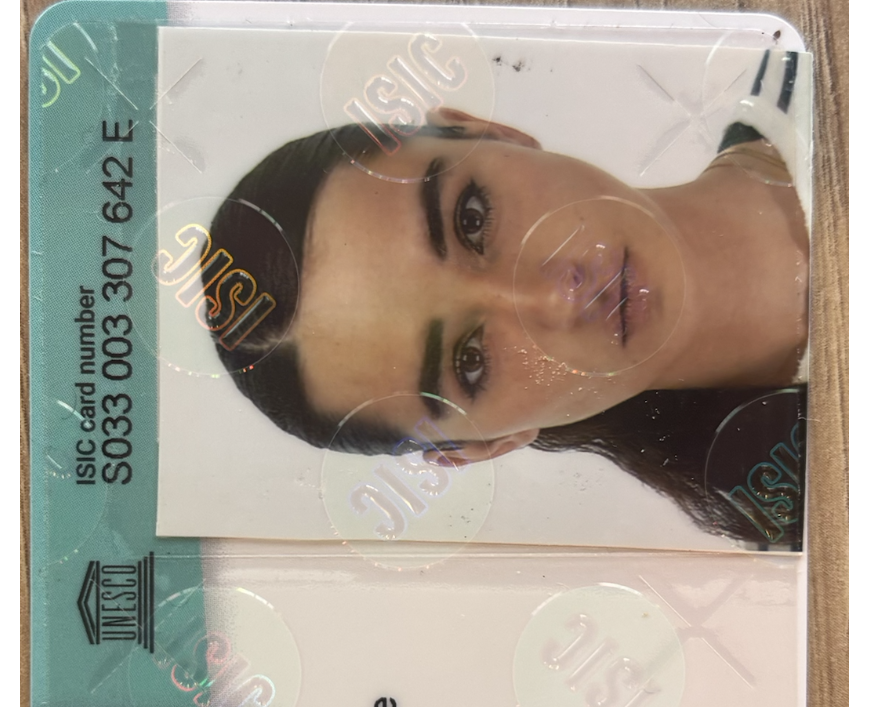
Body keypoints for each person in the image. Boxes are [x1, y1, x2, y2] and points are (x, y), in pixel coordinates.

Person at [208, 49, 809, 545]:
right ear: (486, 446)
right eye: (470, 361)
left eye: (471, 219)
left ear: (486, 132)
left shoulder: (814, 46)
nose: (552, 298)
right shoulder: (826, 561)